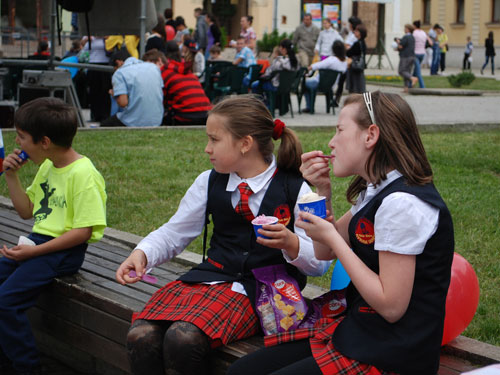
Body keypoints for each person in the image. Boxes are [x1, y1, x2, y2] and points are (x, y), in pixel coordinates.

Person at [227, 90, 454, 375]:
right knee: (242, 372)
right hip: (363, 333)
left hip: (393, 355)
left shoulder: (403, 204)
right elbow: (325, 252)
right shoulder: (376, 190)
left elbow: (391, 306)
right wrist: (323, 191)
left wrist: (332, 236)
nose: (332, 143)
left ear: (370, 135)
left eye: (339, 130)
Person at [115, 94, 330, 375]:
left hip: (264, 293)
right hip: (209, 279)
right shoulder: (209, 181)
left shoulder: (296, 189)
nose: (207, 149)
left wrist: (291, 243)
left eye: (214, 139)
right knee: (140, 336)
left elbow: (320, 262)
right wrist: (142, 253)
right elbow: (174, 231)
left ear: (245, 144)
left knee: (183, 339)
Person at [1, 97, 107, 375]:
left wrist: (34, 253)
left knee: (6, 301)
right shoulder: (48, 166)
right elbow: (26, 212)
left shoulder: (84, 174)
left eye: (22, 137)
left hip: (62, 252)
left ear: (44, 142)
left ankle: (26, 367)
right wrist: (10, 176)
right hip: (37, 243)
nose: (17, 143)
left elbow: (82, 232)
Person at [144, 42, 211, 126]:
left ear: (159, 61)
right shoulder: (185, 71)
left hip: (185, 115)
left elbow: (160, 100)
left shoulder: (163, 74)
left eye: (149, 65)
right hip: (206, 114)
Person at [101, 48, 163, 127]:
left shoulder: (119, 73)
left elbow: (123, 103)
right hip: (157, 120)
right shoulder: (153, 68)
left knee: (104, 126)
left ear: (118, 62)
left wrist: (115, 94)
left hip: (134, 121)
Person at [303, 40, 348, 113]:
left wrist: (309, 68)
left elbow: (319, 65)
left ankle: (309, 107)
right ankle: (312, 107)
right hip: (331, 85)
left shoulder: (332, 60)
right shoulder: (344, 62)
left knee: (304, 84)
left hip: (320, 83)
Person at [81, 36, 112, 122]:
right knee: (93, 92)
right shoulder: (89, 35)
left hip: (105, 65)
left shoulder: (107, 36)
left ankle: (105, 115)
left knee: (105, 92)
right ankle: (95, 115)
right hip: (92, 65)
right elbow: (83, 46)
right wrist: (87, 40)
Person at [346, 23, 367, 93]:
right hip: (359, 65)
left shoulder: (357, 43)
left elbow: (349, 53)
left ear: (360, 33)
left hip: (355, 65)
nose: (354, 32)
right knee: (359, 85)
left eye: (356, 31)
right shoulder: (362, 42)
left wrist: (348, 49)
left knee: (355, 86)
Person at [396, 24, 418, 92]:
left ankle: (413, 78)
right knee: (407, 71)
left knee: (401, 71)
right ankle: (406, 88)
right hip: (412, 56)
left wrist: (398, 43)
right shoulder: (412, 37)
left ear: (408, 29)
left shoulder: (406, 37)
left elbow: (401, 46)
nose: (404, 29)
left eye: (405, 28)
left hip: (405, 56)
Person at [412, 20, 427, 88]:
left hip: (416, 53)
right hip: (422, 53)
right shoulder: (423, 33)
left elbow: (412, 42)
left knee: (418, 71)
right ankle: (410, 84)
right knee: (416, 69)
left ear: (414, 26)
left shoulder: (414, 33)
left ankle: (422, 86)